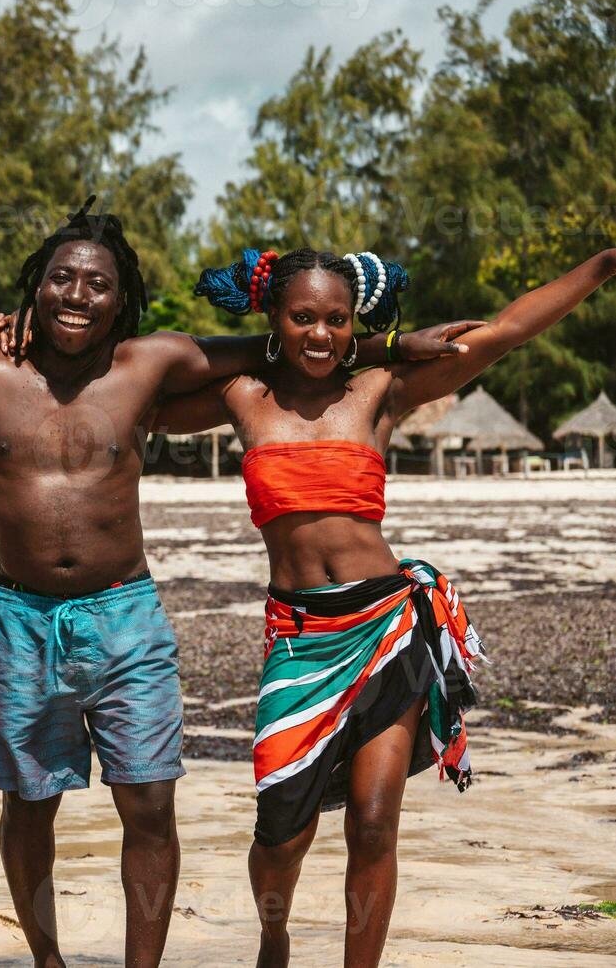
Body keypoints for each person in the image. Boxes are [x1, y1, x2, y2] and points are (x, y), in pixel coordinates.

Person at [0, 197, 476, 967]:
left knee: (148, 804)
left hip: (124, 614)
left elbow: (280, 345)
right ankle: (46, 959)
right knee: (28, 806)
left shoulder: (150, 362)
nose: (77, 295)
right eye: (62, 278)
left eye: (97, 284)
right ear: (35, 286)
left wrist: (387, 347)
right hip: (20, 617)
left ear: (120, 299)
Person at [160, 245, 616, 967]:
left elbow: (506, 330)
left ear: (354, 324)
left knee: (373, 824)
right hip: (300, 639)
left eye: (338, 321)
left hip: (386, 627)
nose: (320, 335)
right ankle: (272, 938)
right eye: (302, 318)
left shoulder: (377, 393)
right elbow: (141, 377)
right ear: (273, 320)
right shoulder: (241, 396)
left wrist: (604, 264)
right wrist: (387, 339)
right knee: (281, 832)